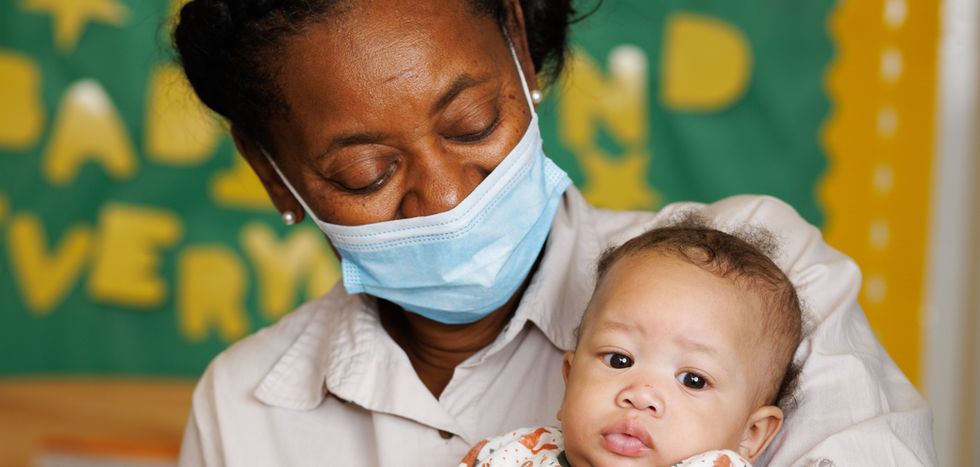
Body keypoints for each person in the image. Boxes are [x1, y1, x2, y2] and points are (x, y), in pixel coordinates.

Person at [171, 0, 936, 465]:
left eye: (473, 124)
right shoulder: (247, 408)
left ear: (517, 47)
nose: (444, 197)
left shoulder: (752, 283)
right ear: (273, 172)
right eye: (368, 172)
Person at [459, 222, 802, 467]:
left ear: (751, 434)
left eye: (692, 380)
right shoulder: (514, 456)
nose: (640, 395)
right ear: (570, 378)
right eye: (619, 360)